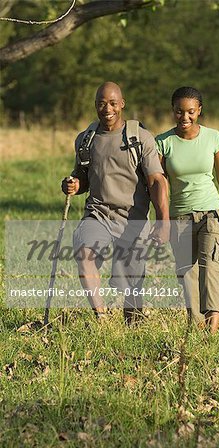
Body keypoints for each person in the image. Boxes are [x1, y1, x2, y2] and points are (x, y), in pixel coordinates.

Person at [62, 81, 169, 324]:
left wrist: (164, 221)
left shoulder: (140, 138)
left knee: (131, 287)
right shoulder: (86, 139)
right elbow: (82, 176)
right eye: (101, 103)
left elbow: (156, 182)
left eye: (112, 103)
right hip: (98, 214)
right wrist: (74, 185)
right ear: (95, 106)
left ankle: (133, 322)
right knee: (84, 254)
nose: (106, 108)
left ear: (122, 104)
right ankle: (101, 317)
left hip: (133, 219)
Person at [156, 86, 219, 333]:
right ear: (173, 111)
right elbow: (159, 183)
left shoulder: (213, 137)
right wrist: (161, 218)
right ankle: (195, 327)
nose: (185, 117)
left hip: (211, 212)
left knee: (211, 268)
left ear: (199, 111)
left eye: (190, 112)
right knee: (187, 273)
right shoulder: (163, 142)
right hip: (180, 215)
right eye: (179, 112)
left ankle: (212, 332)